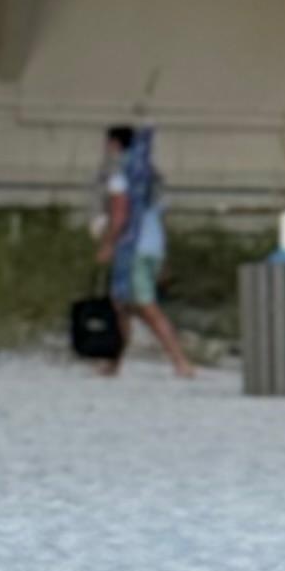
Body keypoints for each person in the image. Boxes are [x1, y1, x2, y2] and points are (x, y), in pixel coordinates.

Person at [91, 121, 196, 380]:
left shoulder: (120, 176)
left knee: (145, 306)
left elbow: (120, 215)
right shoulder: (148, 176)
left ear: (114, 144)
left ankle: (181, 362)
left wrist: (108, 244)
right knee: (121, 306)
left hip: (132, 249)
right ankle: (114, 362)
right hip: (153, 245)